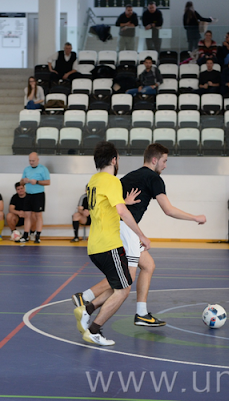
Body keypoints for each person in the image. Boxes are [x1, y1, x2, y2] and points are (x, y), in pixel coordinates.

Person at [72, 143, 206, 330]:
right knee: (125, 281)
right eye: (164, 161)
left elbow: (111, 201)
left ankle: (140, 312)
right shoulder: (154, 179)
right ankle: (87, 301)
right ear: (154, 159)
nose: (165, 165)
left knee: (148, 265)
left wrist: (125, 204)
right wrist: (194, 218)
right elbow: (168, 210)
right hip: (126, 230)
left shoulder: (128, 177)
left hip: (114, 228)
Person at [72, 141, 151, 346]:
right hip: (109, 245)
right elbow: (121, 212)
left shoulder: (93, 181)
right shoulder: (112, 180)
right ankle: (94, 330)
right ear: (114, 160)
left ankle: (86, 310)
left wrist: (125, 202)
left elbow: (108, 206)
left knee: (119, 283)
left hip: (95, 246)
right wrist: (141, 235)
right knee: (124, 290)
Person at [17, 152, 51, 244]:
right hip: (28, 194)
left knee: (38, 215)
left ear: (37, 160)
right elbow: (21, 182)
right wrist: (23, 181)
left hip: (38, 194)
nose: (31, 162)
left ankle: (38, 235)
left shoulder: (43, 169)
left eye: (33, 160)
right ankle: (25, 235)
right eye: (30, 161)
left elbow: (48, 182)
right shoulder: (26, 169)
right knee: (27, 215)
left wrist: (36, 182)